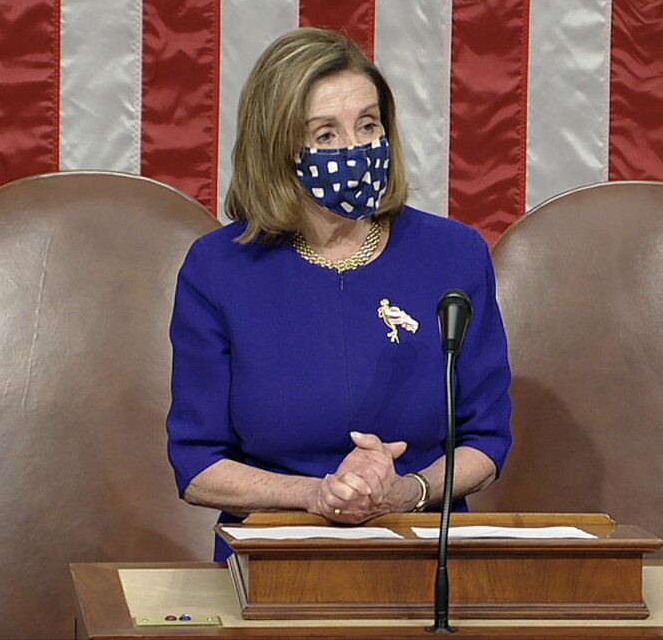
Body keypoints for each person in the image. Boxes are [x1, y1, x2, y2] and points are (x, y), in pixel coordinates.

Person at [167, 27, 512, 562]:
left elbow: (486, 440)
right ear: (278, 147)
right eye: (325, 135)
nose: (355, 149)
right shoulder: (217, 269)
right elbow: (197, 467)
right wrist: (317, 495)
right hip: (271, 561)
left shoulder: (455, 255)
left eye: (368, 125)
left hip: (421, 554)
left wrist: (407, 491)